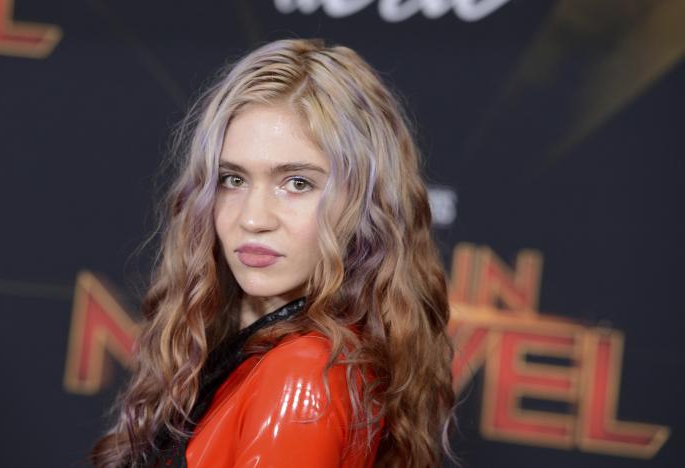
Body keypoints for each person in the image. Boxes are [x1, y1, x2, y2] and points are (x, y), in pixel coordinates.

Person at [90, 38, 455, 468]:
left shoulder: (301, 374)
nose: (253, 218)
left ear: (362, 204)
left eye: (297, 183)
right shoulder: (258, 350)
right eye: (233, 179)